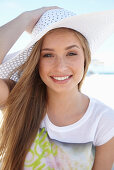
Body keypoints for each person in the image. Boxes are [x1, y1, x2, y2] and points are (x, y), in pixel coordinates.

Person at [0, 6, 114, 170]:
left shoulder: (104, 121)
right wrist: (25, 18)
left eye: (71, 53)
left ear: (85, 58)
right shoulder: (17, 98)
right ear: (36, 61)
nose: (60, 67)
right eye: (48, 55)